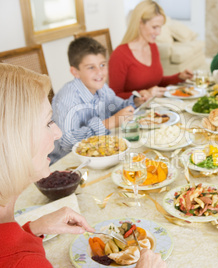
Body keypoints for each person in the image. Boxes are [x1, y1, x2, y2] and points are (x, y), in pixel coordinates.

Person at [0, 63, 166, 268]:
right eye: (48, 122)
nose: (58, 133)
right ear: (13, 142)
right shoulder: (24, 262)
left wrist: (31, 230)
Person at [49, 37, 138, 164]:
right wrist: (108, 123)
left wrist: (136, 101)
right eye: (91, 67)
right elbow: (67, 143)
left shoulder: (102, 88)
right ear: (75, 72)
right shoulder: (67, 99)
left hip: (97, 155)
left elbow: (118, 107)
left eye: (102, 65)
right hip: (67, 164)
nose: (100, 72)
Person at [108, 0, 193, 100]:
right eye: (154, 27)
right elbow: (113, 98)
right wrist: (144, 93)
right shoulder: (120, 55)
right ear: (140, 22)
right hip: (131, 112)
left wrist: (179, 77)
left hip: (153, 108)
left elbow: (156, 81)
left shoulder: (152, 47)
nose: (158, 32)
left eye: (160, 27)